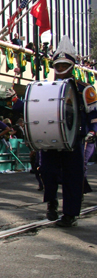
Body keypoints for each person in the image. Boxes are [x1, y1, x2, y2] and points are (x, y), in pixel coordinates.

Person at [35, 35, 97, 227]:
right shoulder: (46, 88)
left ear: (72, 65)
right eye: (58, 66)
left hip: (74, 139)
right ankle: (51, 201)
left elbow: (94, 115)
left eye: (64, 65)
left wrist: (93, 131)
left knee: (73, 176)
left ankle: (70, 214)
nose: (60, 69)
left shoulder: (84, 89)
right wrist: (15, 102)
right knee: (47, 171)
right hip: (51, 138)